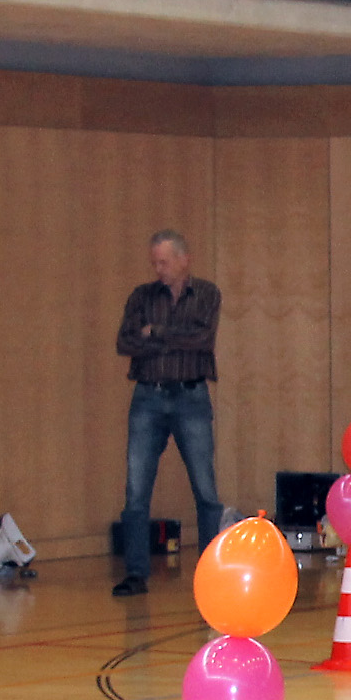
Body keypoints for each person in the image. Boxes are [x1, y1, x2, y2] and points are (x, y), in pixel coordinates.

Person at [113, 230, 224, 597]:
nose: (158, 269)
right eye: (154, 263)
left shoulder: (206, 294)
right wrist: (172, 338)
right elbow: (125, 342)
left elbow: (202, 339)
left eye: (163, 262)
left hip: (192, 397)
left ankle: (210, 573)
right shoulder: (141, 296)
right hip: (148, 397)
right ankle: (135, 573)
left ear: (183, 259)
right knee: (136, 490)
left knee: (205, 489)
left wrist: (156, 332)